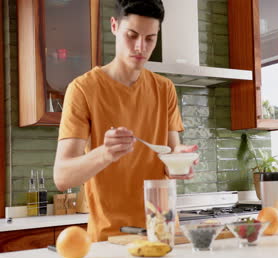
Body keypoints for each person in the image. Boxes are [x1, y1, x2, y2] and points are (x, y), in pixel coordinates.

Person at [53, 0, 197, 242]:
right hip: (111, 238)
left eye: (150, 38)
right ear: (114, 26)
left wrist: (181, 159)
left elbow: (170, 154)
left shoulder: (165, 89)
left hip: (163, 232)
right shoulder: (83, 89)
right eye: (132, 35)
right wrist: (105, 153)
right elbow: (63, 177)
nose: (141, 47)